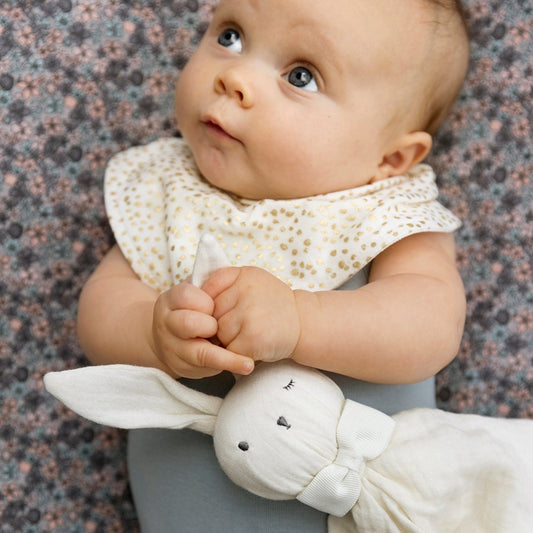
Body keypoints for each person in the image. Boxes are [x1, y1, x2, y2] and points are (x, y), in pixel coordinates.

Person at [77, 0, 469, 530]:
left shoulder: (387, 214)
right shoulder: (168, 192)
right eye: (231, 36)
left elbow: (430, 325)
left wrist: (301, 320)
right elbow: (102, 307)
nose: (234, 77)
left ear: (390, 159)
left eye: (301, 75)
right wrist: (152, 335)